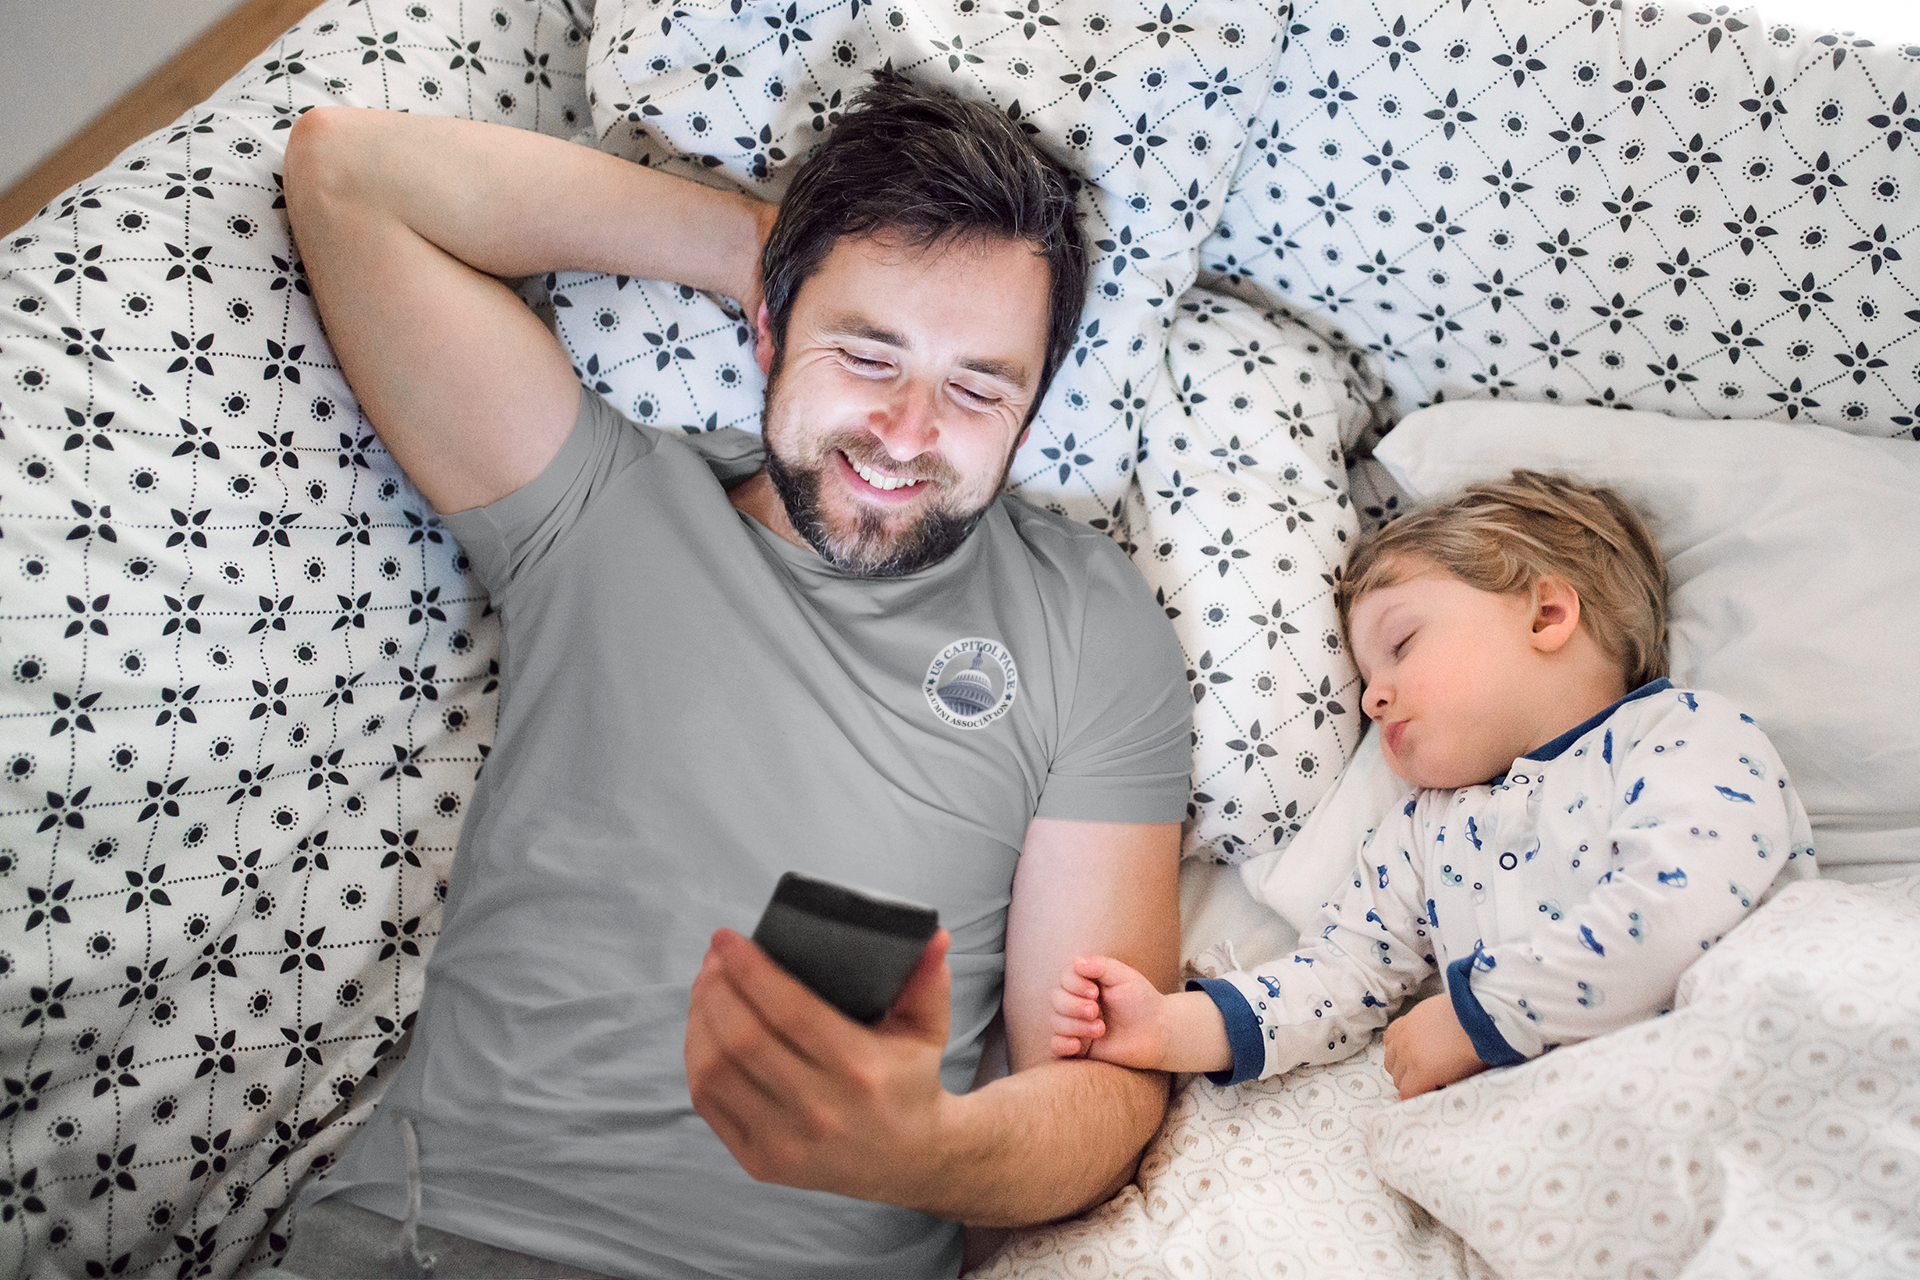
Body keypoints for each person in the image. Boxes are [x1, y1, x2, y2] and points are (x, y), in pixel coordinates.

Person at [277, 72, 1192, 1278]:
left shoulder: (1087, 618)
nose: (909, 432)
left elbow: (1107, 1091)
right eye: (866, 351)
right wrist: (761, 243)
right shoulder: (596, 505)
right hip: (436, 1241)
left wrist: (922, 1150)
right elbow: (348, 174)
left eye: (979, 387)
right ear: (767, 326)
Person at [1048, 471, 1817, 1097]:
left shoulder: (1684, 735)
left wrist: (1480, 1017)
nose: (1370, 697)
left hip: (1743, 1058)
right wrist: (1170, 1028)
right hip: (1570, 1117)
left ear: (1547, 613)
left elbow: (1679, 907)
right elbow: (1343, 976)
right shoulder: (1426, 830)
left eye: (1402, 644)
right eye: (1365, 677)